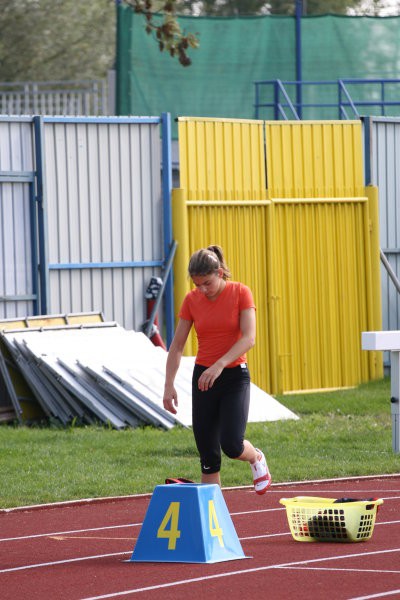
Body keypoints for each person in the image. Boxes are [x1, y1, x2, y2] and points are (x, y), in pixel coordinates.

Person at [163, 245, 272, 494]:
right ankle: (213, 522)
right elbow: (177, 346)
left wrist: (220, 364)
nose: (202, 289)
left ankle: (255, 457)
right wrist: (168, 386)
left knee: (232, 445)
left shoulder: (241, 292)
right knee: (208, 454)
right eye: (196, 284)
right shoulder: (192, 300)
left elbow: (249, 338)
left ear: (220, 273)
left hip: (234, 375)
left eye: (207, 283)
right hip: (204, 378)